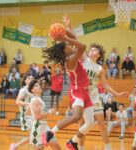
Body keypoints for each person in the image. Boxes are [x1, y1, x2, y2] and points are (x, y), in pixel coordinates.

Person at [42, 22, 95, 150]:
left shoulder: (72, 56)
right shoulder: (70, 60)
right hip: (77, 91)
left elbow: (76, 39)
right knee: (77, 116)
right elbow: (82, 46)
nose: (71, 46)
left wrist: (64, 30)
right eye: (68, 45)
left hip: (84, 92)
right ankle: (50, 132)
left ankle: (73, 142)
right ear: (65, 50)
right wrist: (64, 38)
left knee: (90, 123)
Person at [81, 42, 128, 150]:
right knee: (83, 123)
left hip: (95, 97)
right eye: (90, 49)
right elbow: (78, 42)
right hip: (83, 96)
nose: (91, 50)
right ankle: (81, 147)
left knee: (101, 124)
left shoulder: (100, 68)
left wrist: (117, 94)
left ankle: (108, 147)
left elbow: (105, 85)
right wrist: (69, 28)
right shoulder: (84, 60)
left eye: (94, 50)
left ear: (99, 54)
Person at [9, 74, 34, 150]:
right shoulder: (24, 90)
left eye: (32, 78)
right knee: (33, 136)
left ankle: (15, 146)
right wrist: (28, 104)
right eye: (29, 78)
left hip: (33, 115)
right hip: (26, 116)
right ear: (25, 81)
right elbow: (17, 101)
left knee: (34, 136)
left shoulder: (33, 90)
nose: (31, 79)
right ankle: (15, 146)